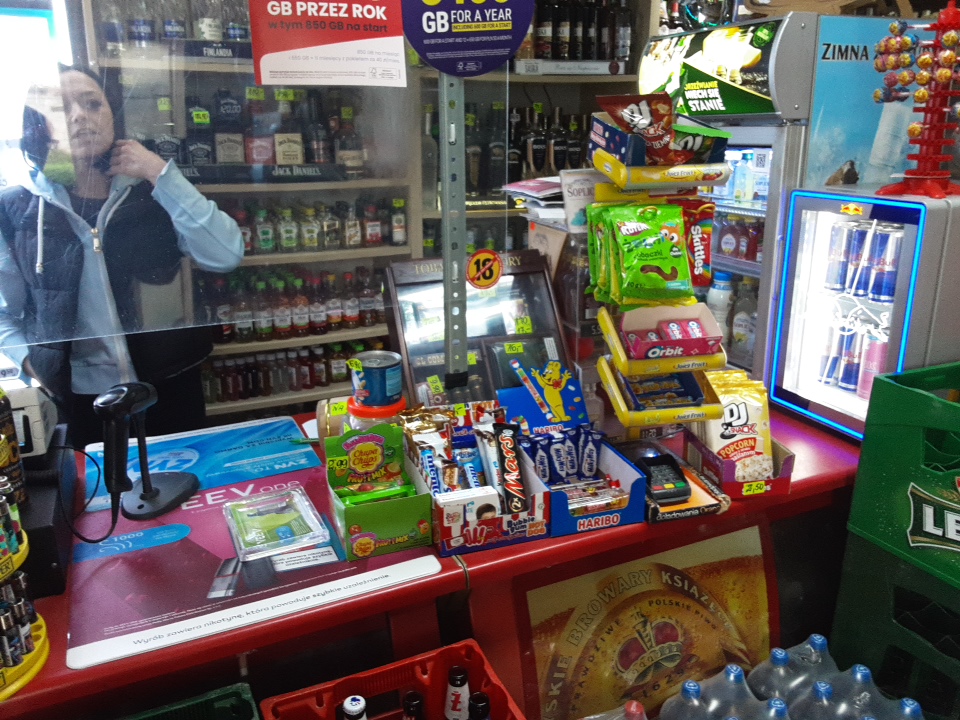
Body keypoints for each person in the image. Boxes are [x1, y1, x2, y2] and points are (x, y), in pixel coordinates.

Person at [0, 65, 243, 446]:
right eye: (60, 108)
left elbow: (225, 254)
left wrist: (160, 173)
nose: (79, 116)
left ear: (114, 114)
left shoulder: (155, 189)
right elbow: (4, 312)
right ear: (38, 127)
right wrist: (33, 364)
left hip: (169, 384)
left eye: (93, 103)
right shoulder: (17, 207)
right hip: (80, 398)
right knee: (99, 485)